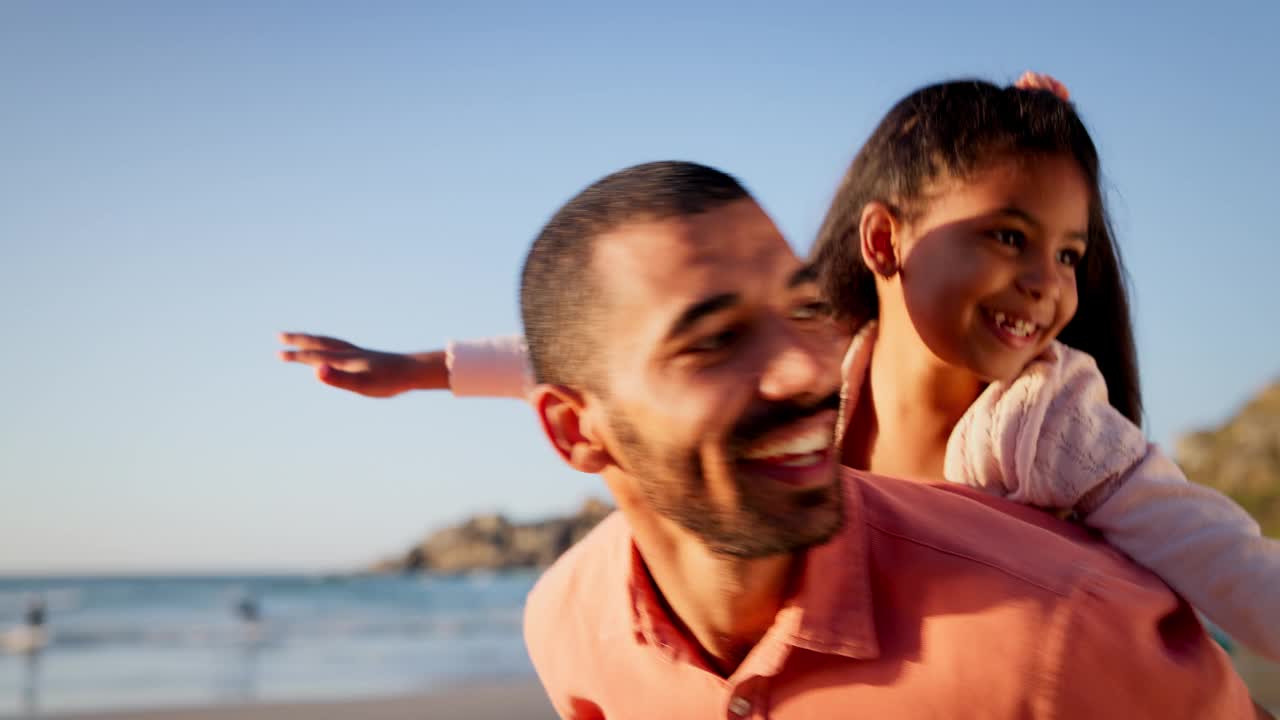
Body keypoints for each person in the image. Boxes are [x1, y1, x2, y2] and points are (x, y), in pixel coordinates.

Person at [278, 74, 1280, 663]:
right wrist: (427, 368)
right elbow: (638, 360)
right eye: (1006, 235)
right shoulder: (823, 353)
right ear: (883, 244)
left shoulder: (1048, 422)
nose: (1045, 284)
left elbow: (1216, 552)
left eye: (1066, 253)